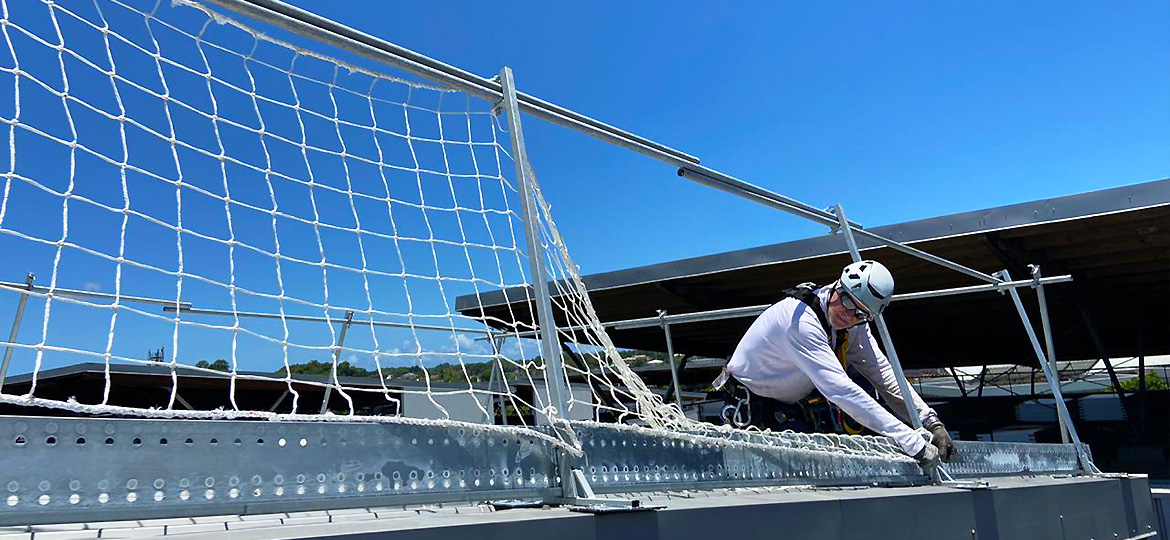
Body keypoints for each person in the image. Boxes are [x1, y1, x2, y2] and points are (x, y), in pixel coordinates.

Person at [715, 260, 956, 466]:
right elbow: (841, 390)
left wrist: (931, 422)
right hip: (750, 409)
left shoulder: (855, 324)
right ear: (837, 286)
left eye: (861, 314)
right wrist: (910, 440)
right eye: (847, 301)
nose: (847, 314)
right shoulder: (799, 320)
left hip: (786, 408)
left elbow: (882, 373)